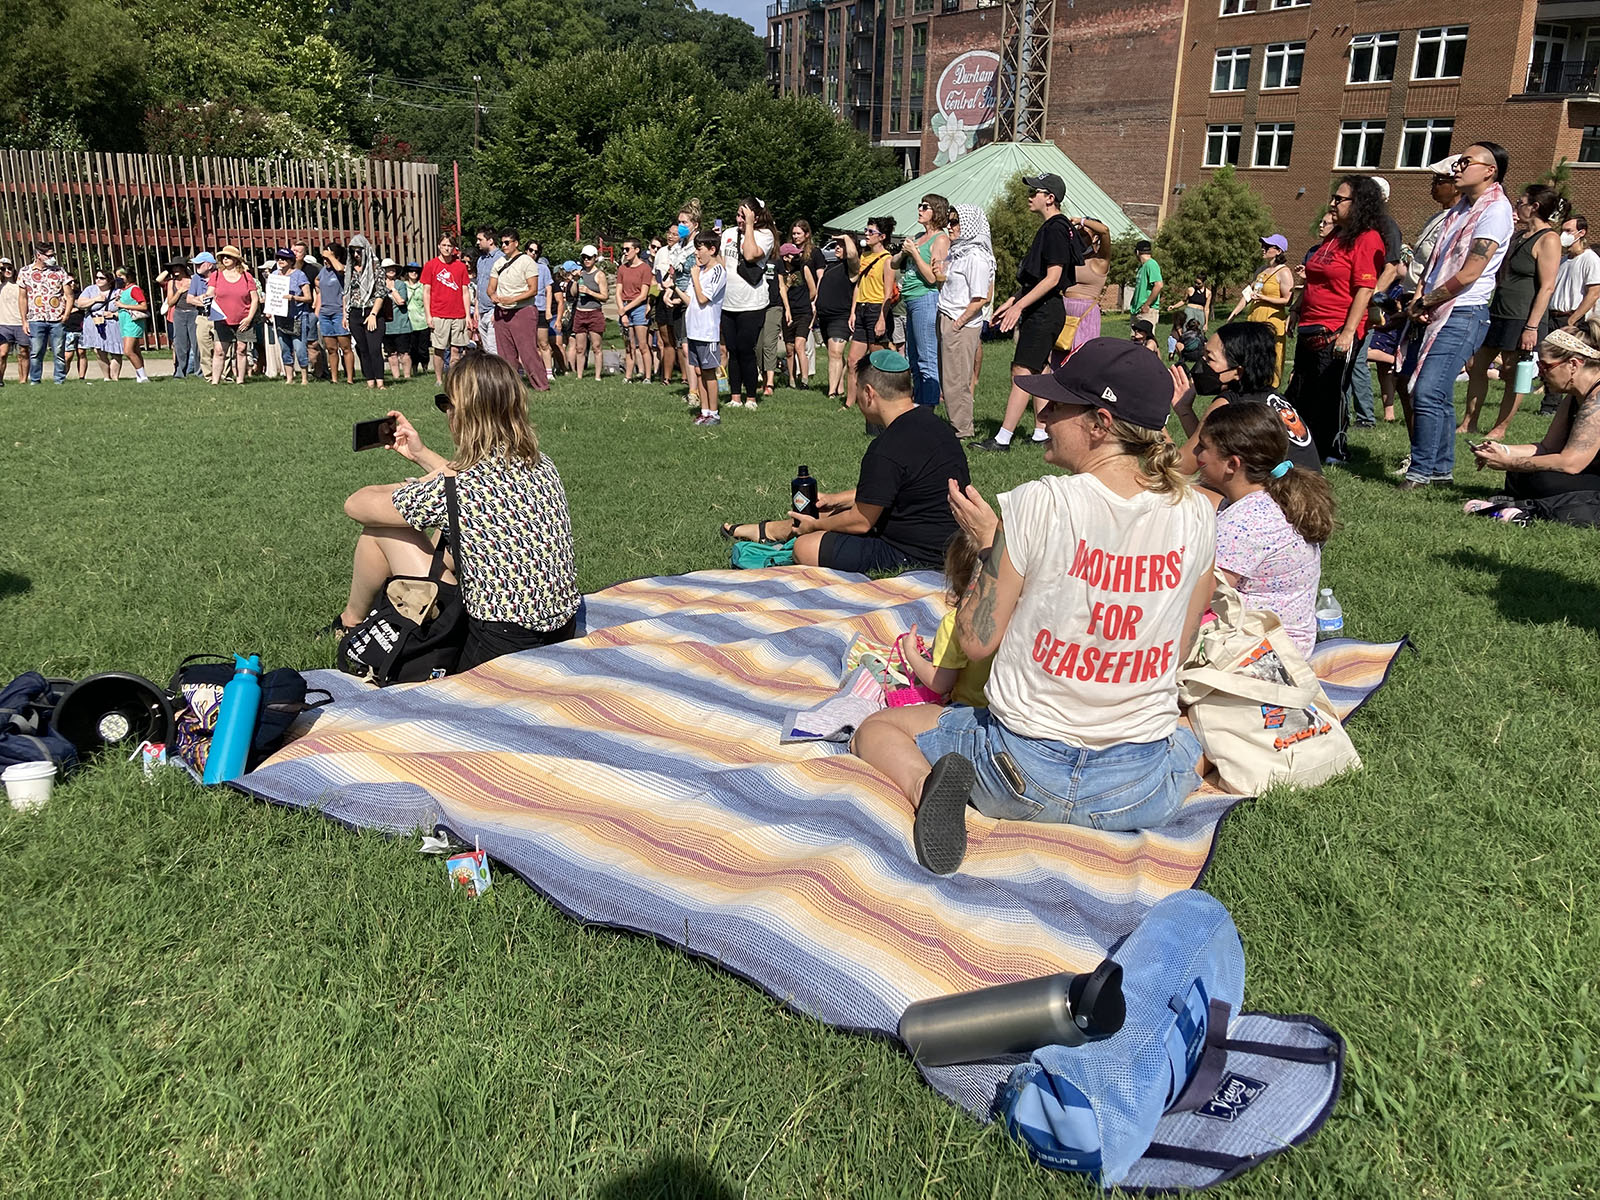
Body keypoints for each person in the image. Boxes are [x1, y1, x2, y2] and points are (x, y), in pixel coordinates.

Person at [850, 339, 1214, 874]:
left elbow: (975, 638)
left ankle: (928, 788)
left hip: (1013, 774)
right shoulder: (1198, 514)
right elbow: (1179, 647)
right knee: (1192, 740)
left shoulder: (1040, 502)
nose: (1042, 413)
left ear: (1100, 423)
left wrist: (990, 549)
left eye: (1058, 404)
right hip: (1136, 791)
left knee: (877, 729)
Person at [331, 352, 580, 672]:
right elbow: (470, 486)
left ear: (462, 414)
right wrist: (423, 456)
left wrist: (425, 479)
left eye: (445, 403)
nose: (445, 412)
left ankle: (351, 622)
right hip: (562, 629)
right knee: (445, 534)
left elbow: (355, 504)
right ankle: (353, 619)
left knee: (379, 531)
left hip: (500, 644)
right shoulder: (541, 462)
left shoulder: (459, 486)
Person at [722, 351, 969, 572]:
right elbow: (899, 488)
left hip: (913, 553)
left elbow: (861, 521)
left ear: (869, 393)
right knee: (835, 509)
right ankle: (774, 529)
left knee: (806, 546)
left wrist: (817, 526)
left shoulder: (886, 448)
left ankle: (781, 531)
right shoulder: (939, 428)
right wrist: (835, 500)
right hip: (952, 544)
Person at [1400, 143, 1515, 491]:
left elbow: (1469, 273)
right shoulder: (1458, 210)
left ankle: (1419, 472)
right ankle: (1439, 472)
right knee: (1436, 394)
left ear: (1490, 170)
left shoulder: (1495, 212)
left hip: (1464, 312)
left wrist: (1424, 304)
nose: (1457, 168)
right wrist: (1421, 297)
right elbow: (1434, 263)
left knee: (1426, 390)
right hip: (1439, 309)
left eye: (1466, 162)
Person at [1192, 403, 1335, 657]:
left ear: (1232, 464)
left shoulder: (1245, 524)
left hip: (1263, 652)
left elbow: (1199, 599)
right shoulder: (1272, 498)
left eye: (1203, 447)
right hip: (1290, 640)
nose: (1195, 453)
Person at [973, 172, 1083, 451]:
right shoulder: (1054, 227)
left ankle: (1002, 438)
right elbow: (1037, 278)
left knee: (1022, 371)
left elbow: (1053, 277)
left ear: (1050, 198)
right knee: (1041, 370)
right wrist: (1012, 300)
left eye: (1035, 191)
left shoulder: (1056, 228)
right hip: (1043, 307)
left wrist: (1020, 305)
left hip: (1045, 310)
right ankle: (1040, 432)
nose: (1029, 196)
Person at [1283, 176, 1388, 464]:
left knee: (1328, 392)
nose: (1332, 203)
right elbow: (1314, 280)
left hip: (1336, 328)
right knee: (1302, 390)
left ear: (1359, 203)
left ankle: (1333, 450)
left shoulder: (1368, 239)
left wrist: (1348, 332)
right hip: (1310, 324)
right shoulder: (1332, 237)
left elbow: (1365, 288)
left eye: (1339, 199)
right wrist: (1296, 309)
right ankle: (1302, 446)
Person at [1460, 184, 1563, 439]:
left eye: (1520, 201)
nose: (1516, 205)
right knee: (1476, 364)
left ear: (1534, 206)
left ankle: (1500, 427)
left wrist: (1531, 327)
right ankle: (1468, 422)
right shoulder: (1519, 236)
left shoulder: (1549, 239)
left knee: (1514, 373)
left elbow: (1547, 286)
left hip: (1523, 317)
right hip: (1498, 312)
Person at [1469, 322, 1600, 503]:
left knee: (1542, 480)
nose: (1540, 374)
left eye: (1546, 366)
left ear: (1573, 365)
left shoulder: (1596, 401)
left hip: (1586, 472)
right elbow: (1547, 447)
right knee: (1521, 474)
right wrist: (1502, 450)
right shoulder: (1574, 397)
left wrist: (1507, 462)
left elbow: (1571, 463)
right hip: (1589, 472)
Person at [1169, 321, 1321, 477]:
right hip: (1309, 495)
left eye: (1210, 358)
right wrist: (1184, 409)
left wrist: (1154, 426)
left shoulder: (1230, 405)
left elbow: (1183, 466)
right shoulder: (1270, 398)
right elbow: (1206, 447)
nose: (1202, 364)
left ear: (1238, 371)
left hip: (1284, 498)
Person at [897, 532, 992, 709]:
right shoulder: (1017, 615)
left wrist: (911, 653)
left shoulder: (954, 623)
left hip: (970, 710)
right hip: (1008, 713)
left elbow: (940, 683)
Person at [937, 203, 995, 442]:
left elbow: (981, 297)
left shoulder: (976, 257)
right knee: (948, 378)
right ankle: (955, 425)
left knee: (958, 380)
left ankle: (962, 430)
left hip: (961, 322)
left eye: (954, 222)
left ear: (970, 225)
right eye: (949, 222)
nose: (949, 227)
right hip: (947, 315)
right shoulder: (958, 252)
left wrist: (958, 323)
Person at [890, 192, 950, 408]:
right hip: (911, 300)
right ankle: (919, 403)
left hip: (927, 299)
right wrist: (904, 252)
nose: (920, 210)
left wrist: (915, 253)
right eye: (920, 205)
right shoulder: (917, 236)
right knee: (913, 358)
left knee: (927, 358)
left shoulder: (940, 239)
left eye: (925, 207)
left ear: (937, 212)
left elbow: (934, 277)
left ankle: (928, 407)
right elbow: (893, 264)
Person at [722, 199, 778, 410]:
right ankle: (735, 396)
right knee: (733, 350)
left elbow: (749, 255)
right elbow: (722, 261)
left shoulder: (765, 235)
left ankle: (751, 397)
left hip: (752, 303)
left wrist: (750, 227)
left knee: (746, 349)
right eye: (738, 215)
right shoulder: (728, 234)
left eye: (743, 216)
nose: (739, 219)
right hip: (728, 302)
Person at [488, 228, 550, 392]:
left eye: (507, 242)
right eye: (502, 242)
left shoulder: (526, 261)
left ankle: (541, 385)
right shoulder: (499, 263)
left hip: (522, 310)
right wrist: (492, 296)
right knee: (505, 354)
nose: (504, 245)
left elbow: (533, 289)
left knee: (527, 351)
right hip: (501, 312)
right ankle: (510, 387)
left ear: (516, 243)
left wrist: (513, 299)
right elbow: (490, 287)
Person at [843, 217, 895, 410]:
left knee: (877, 362)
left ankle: (881, 402)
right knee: (852, 360)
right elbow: (858, 285)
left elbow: (888, 293)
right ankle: (850, 402)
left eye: (870, 231)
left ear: (881, 237)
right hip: (861, 309)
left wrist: (882, 318)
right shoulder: (864, 256)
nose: (866, 234)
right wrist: (853, 312)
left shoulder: (887, 259)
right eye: (866, 230)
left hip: (876, 309)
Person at [1229, 234, 1294, 387]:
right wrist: (1235, 312)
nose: (1262, 249)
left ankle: (1269, 388)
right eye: (1263, 245)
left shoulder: (1284, 272)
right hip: (1254, 317)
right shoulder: (1261, 270)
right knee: (1251, 354)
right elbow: (1248, 293)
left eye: (1267, 246)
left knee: (1268, 356)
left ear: (1278, 251)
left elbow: (1287, 300)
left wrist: (1264, 298)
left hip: (1271, 319)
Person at [686, 231, 727, 426]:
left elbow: (703, 299)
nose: (696, 253)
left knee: (709, 371)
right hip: (693, 329)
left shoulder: (717, 271)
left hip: (707, 331)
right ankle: (704, 410)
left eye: (699, 248)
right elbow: (691, 299)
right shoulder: (699, 271)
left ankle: (714, 412)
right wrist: (672, 291)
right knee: (699, 371)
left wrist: (694, 277)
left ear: (712, 249)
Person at [18, 244, 74, 385]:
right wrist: (24, 321)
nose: (52, 258)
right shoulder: (25, 272)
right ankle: (35, 380)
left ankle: (59, 380)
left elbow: (69, 295)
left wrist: (66, 315)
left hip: (57, 318)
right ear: (39, 255)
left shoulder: (59, 271)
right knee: (36, 352)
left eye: (52, 255)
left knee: (59, 351)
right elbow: (22, 298)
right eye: (49, 255)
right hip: (36, 318)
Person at [422, 234, 473, 384]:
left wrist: (467, 316)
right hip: (438, 313)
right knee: (439, 349)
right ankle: (439, 379)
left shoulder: (460, 266)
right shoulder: (431, 265)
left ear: (454, 248)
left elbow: (465, 292)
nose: (446, 248)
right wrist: (428, 315)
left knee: (456, 350)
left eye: (449, 246)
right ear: (439, 246)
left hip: (458, 314)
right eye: (444, 245)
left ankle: (453, 378)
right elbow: (426, 291)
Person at [1058, 215, 1110, 360]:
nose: (1079, 238)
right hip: (1064, 309)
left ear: (1095, 238)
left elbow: (1105, 231)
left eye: (1084, 235)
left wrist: (1081, 221)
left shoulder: (1100, 260)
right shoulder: (1071, 257)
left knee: (1082, 358)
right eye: (1078, 235)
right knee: (1058, 358)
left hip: (1085, 313)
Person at [208, 247, 259, 386]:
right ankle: (215, 381)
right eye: (223, 256)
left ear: (236, 259)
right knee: (219, 351)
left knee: (241, 350)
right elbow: (210, 293)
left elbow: (255, 298)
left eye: (228, 257)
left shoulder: (246, 276)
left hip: (243, 319)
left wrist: (249, 318)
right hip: (222, 319)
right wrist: (204, 299)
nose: (225, 259)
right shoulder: (216, 275)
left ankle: (240, 380)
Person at [815, 232, 856, 400]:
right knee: (835, 355)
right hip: (825, 317)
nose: (837, 247)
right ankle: (839, 388)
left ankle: (831, 393)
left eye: (842, 244)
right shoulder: (832, 265)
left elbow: (853, 255)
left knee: (835, 352)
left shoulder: (852, 267)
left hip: (841, 316)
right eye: (836, 244)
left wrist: (846, 237)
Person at [346, 235, 387, 388]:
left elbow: (381, 293)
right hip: (355, 311)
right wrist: (346, 314)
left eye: (359, 251)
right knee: (362, 348)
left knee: (374, 348)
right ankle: (370, 381)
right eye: (353, 252)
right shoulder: (350, 268)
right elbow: (347, 291)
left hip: (372, 311)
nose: (356, 255)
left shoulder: (376, 267)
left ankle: (380, 382)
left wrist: (373, 314)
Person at [778, 241, 817, 389]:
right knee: (789, 349)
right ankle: (792, 381)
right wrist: (787, 284)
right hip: (788, 314)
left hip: (804, 313)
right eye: (793, 255)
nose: (797, 257)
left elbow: (813, 290)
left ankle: (804, 381)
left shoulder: (803, 268)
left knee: (800, 345)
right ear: (785, 257)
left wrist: (804, 303)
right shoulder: (781, 274)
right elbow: (781, 294)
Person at [615, 239, 653, 384]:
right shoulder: (622, 269)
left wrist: (625, 309)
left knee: (642, 345)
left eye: (627, 249)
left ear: (636, 250)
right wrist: (622, 311)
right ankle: (628, 375)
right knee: (628, 345)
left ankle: (647, 376)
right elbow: (618, 291)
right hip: (624, 307)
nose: (625, 252)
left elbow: (643, 295)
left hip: (639, 307)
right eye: (623, 249)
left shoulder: (645, 269)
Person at [315, 243, 353, 384]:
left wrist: (331, 256)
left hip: (339, 312)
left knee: (345, 347)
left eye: (329, 257)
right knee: (331, 348)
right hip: (325, 313)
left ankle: (350, 379)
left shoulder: (341, 269)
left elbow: (340, 268)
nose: (326, 261)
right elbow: (317, 280)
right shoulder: (323, 271)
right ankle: (334, 379)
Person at [569, 244, 609, 381]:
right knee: (580, 348)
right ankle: (579, 376)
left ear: (595, 258)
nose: (586, 260)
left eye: (589, 258)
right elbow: (573, 293)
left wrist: (590, 292)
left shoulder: (599, 275)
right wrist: (574, 281)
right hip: (580, 312)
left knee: (596, 346)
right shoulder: (581, 273)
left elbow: (605, 296)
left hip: (594, 313)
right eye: (584, 257)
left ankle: (597, 376)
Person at [76, 268, 122, 382]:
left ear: (109, 280)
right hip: (94, 323)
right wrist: (95, 299)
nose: (98, 280)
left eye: (102, 278)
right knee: (98, 350)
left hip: (112, 323)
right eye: (97, 277)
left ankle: (115, 377)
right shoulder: (90, 290)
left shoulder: (117, 292)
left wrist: (114, 314)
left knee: (115, 350)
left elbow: (125, 308)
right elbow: (80, 304)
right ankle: (107, 377)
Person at [164, 262, 198, 378]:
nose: (175, 269)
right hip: (178, 313)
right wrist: (180, 290)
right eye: (173, 267)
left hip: (194, 312)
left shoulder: (193, 280)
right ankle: (180, 372)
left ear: (183, 268)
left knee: (196, 343)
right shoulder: (171, 283)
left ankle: (199, 372)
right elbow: (170, 302)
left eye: (178, 266)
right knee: (180, 345)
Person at [472, 226, 503, 355]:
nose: (477, 242)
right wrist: (477, 307)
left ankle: (499, 375)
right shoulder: (481, 260)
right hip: (482, 310)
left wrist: (498, 310)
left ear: (490, 240)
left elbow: (503, 286)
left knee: (494, 349)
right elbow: (480, 284)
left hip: (493, 309)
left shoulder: (501, 258)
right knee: (486, 349)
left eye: (480, 239)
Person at [381, 259, 412, 382]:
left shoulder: (400, 284)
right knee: (391, 354)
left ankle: (407, 376)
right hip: (386, 326)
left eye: (393, 268)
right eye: (388, 268)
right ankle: (396, 377)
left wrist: (392, 289)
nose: (391, 270)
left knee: (404, 353)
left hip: (401, 324)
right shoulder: (379, 285)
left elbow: (401, 301)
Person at [0, 258, 24, 386]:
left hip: (19, 322)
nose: (7, 271)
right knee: (2, 354)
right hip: (3, 323)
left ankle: (23, 380)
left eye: (9, 268)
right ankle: (0, 379)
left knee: (23, 353)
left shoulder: (19, 285)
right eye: (3, 269)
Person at [1130, 239, 1163, 319]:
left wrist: (1147, 304)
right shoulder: (1142, 267)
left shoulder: (1151, 264)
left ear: (1137, 252)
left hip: (1147, 311)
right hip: (1137, 310)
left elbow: (1159, 285)